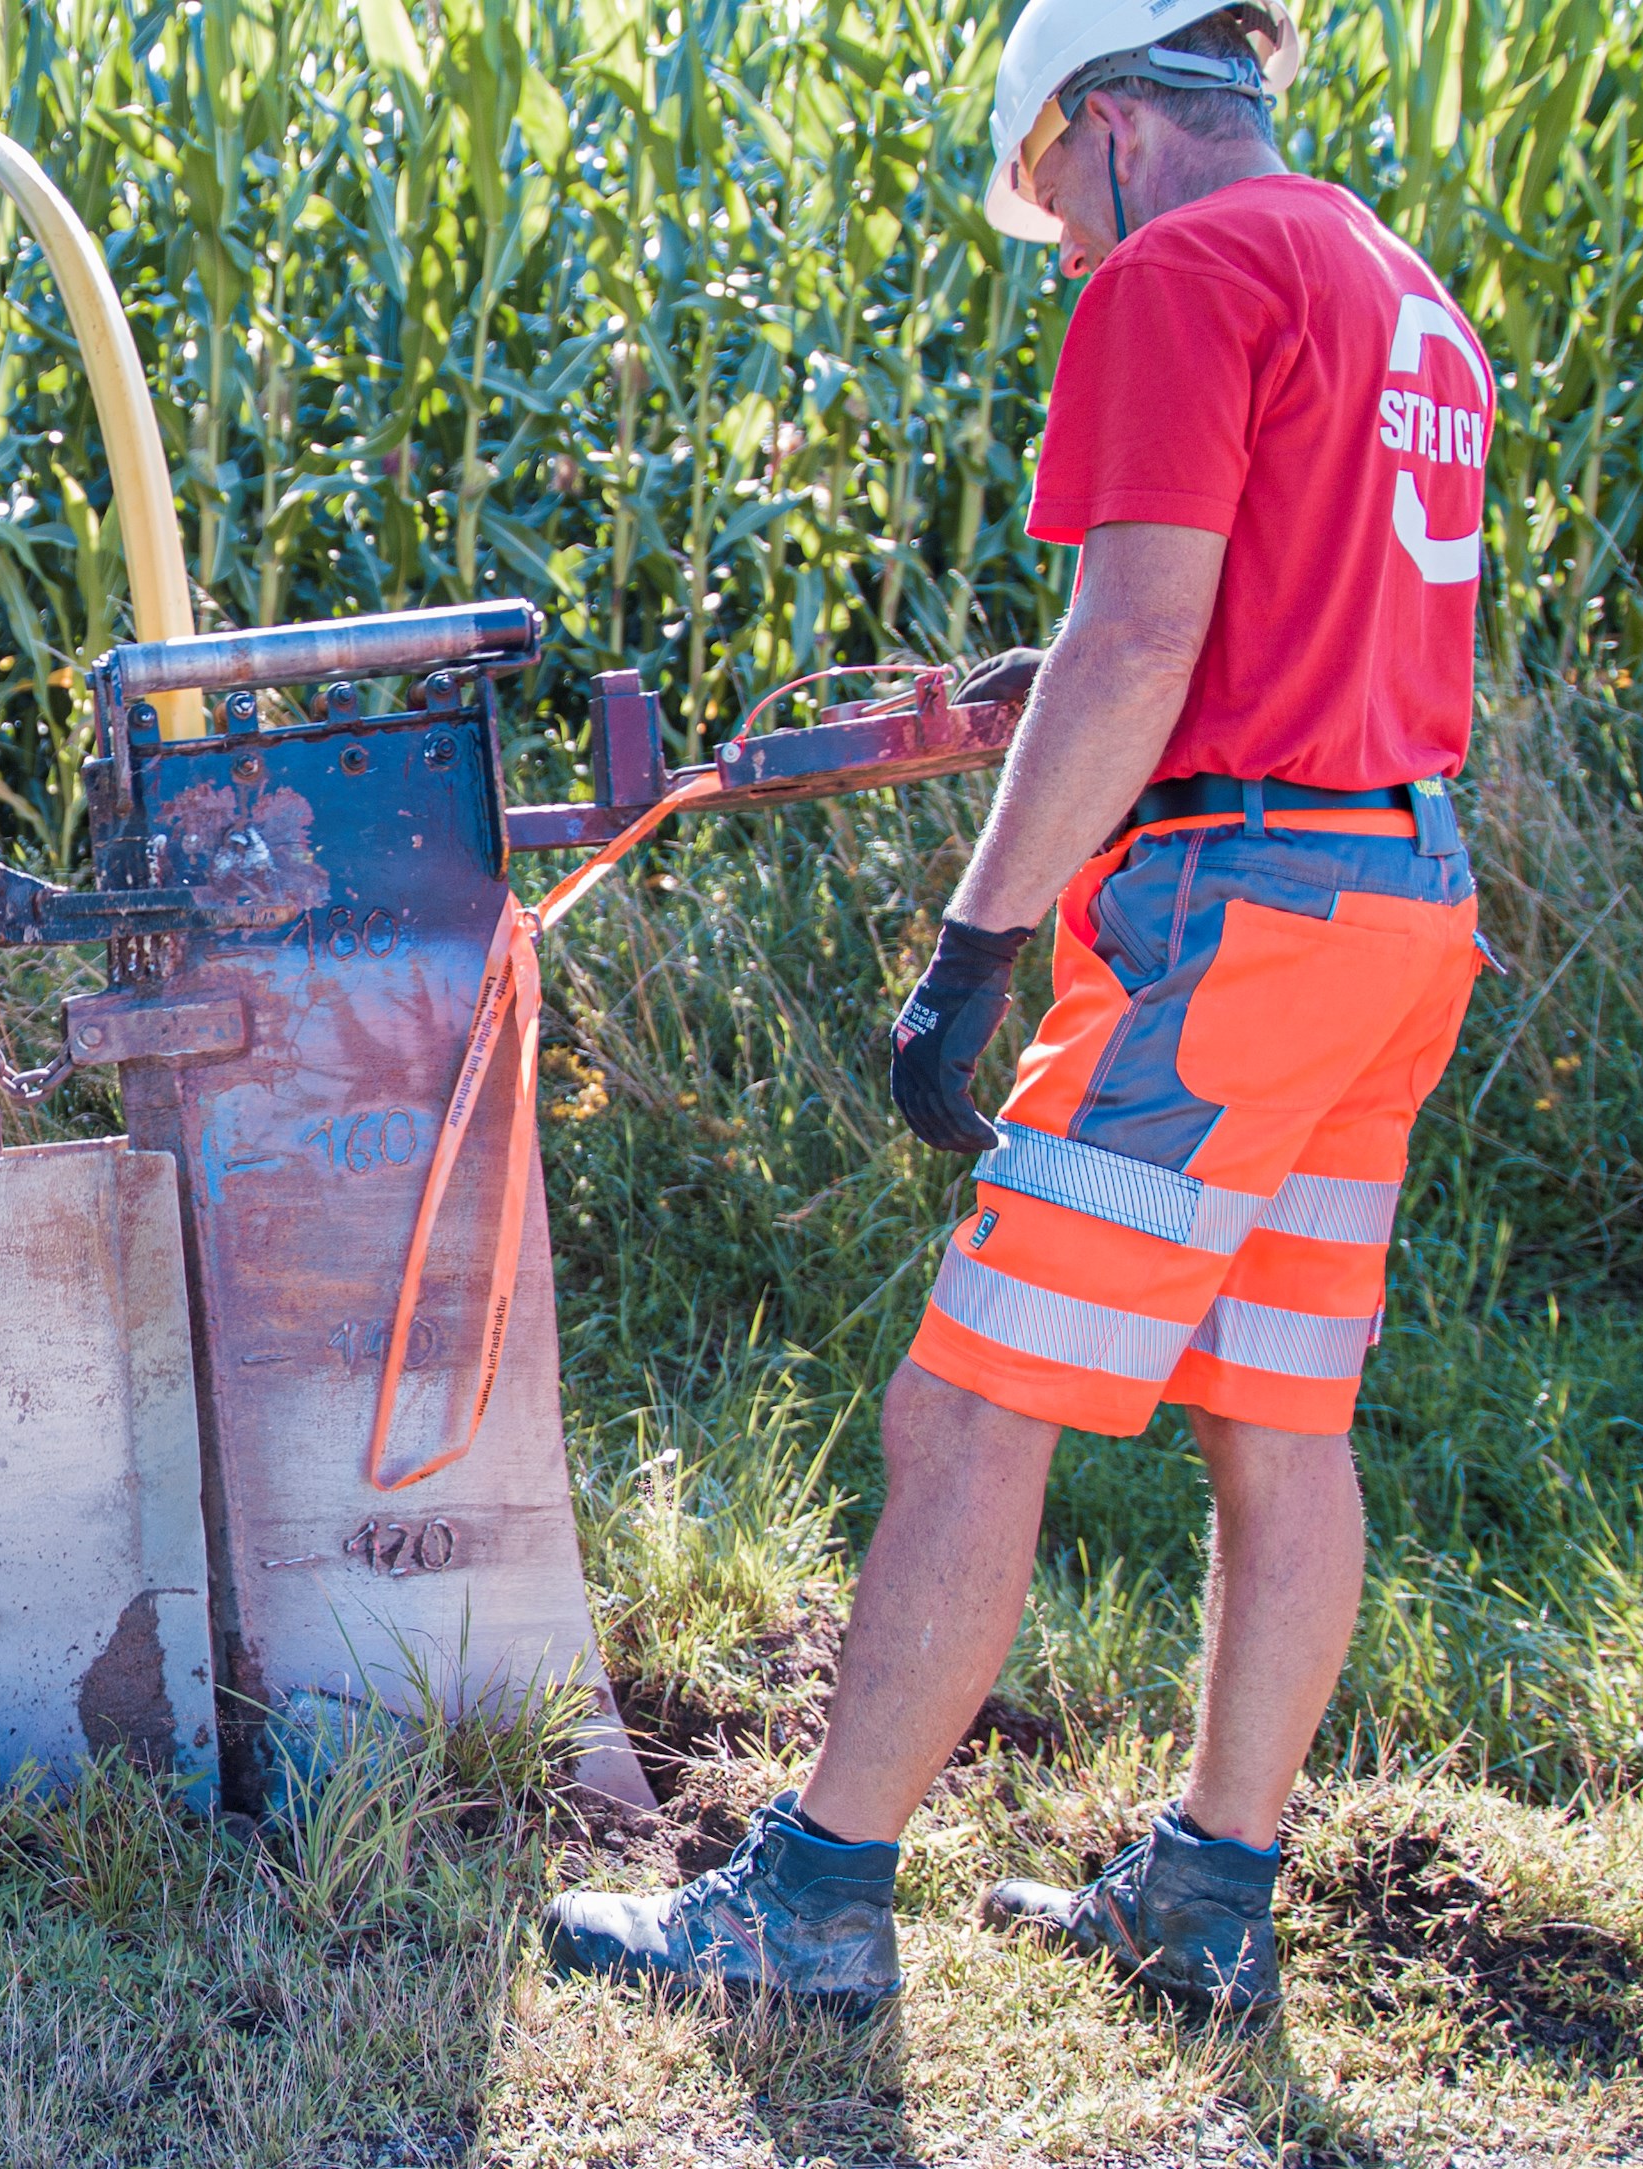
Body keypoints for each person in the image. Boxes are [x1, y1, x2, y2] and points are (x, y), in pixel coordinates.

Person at [544, 0, 1496, 2020]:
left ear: (1110, 123)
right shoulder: (1386, 279)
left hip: (1229, 931)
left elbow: (1141, 631)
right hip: (1392, 898)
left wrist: (972, 947)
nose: (1058, 244)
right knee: (1274, 1412)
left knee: (965, 1403)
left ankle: (805, 1905)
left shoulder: (1179, 266)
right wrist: (1009, 706)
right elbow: (1255, 621)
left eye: (1049, 189)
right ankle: (1208, 1900)